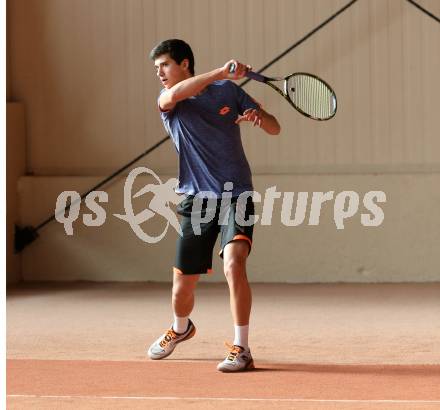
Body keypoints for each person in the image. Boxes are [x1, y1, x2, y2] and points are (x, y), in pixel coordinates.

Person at [147, 39, 280, 372]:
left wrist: (258, 116)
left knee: (234, 263)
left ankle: (242, 348)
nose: (160, 73)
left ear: (184, 63)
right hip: (196, 200)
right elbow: (175, 94)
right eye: (157, 68)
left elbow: (275, 127)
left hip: (237, 194)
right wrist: (222, 71)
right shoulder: (169, 102)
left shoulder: (227, 92)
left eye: (165, 65)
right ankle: (181, 329)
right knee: (182, 287)